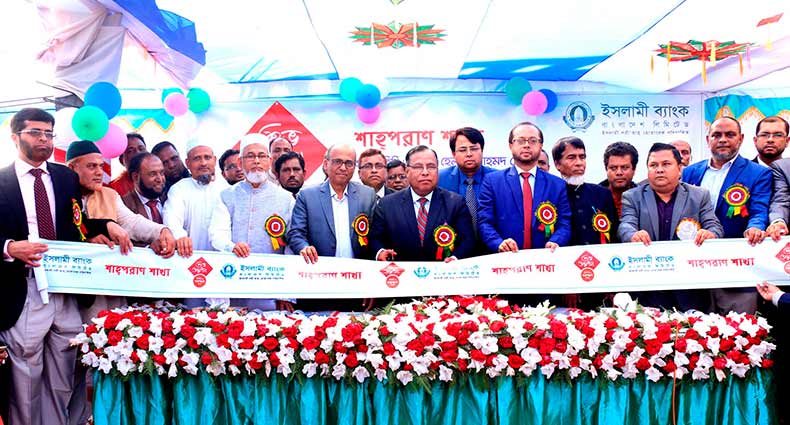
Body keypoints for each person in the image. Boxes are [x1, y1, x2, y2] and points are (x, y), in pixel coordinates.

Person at [0, 108, 111, 425]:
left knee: (65, 372)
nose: (44, 140)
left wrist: (107, 226)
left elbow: (78, 223)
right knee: (26, 374)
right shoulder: (1, 180)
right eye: (36, 132)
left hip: (65, 287)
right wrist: (9, 247)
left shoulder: (65, 178)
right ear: (15, 138)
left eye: (49, 134)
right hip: (23, 285)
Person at [65, 141, 175, 425]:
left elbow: (133, 222)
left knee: (102, 360)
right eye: (91, 166)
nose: (99, 172)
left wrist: (162, 231)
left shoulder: (109, 195)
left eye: (101, 166)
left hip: (106, 296)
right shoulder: (60, 194)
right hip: (67, 295)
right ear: (72, 168)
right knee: (71, 366)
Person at [619, 143, 723, 312]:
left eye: (666, 164)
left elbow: (714, 226)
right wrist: (633, 234)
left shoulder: (699, 195)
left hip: (689, 286)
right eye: (653, 165)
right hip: (648, 287)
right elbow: (626, 224)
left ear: (680, 168)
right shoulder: (632, 196)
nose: (659, 170)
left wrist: (710, 233)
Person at [683, 116, 771, 314]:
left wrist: (755, 227)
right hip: (694, 267)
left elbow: (759, 210)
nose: (723, 139)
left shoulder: (758, 173)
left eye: (730, 135)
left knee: (741, 329)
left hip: (737, 268)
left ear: (741, 139)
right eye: (717, 135)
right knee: (694, 330)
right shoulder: (690, 172)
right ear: (708, 139)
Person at [209, 137, 295, 312]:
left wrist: (286, 293)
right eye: (250, 156)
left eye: (261, 156)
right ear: (240, 162)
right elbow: (217, 233)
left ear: (269, 161)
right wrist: (231, 246)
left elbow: (291, 247)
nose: (256, 161)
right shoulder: (226, 196)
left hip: (271, 285)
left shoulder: (286, 199)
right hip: (233, 281)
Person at [287, 144, 376, 312]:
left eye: (349, 163)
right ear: (325, 164)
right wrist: (303, 247)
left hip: (357, 285)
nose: (343, 167)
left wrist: (372, 282)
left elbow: (374, 238)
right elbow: (295, 232)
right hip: (318, 283)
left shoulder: (367, 195)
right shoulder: (307, 195)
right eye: (337, 162)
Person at [478, 122, 572, 253]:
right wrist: (499, 243)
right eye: (520, 141)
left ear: (541, 145)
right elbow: (484, 222)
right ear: (511, 145)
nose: (526, 145)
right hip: (506, 259)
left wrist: (556, 241)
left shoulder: (557, 185)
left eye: (533, 141)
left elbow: (564, 223)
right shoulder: (492, 181)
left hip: (546, 259)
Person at [371, 145, 475, 262]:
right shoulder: (387, 204)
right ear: (407, 171)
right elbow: (375, 238)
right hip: (400, 271)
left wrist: (455, 258)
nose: (425, 172)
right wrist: (380, 251)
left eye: (431, 167)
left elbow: (467, 240)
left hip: (443, 271)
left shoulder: (455, 203)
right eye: (418, 167)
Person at [552, 136, 619, 308]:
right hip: (565, 288)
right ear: (557, 164)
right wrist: (567, 284)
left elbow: (613, 239)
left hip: (601, 283)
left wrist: (612, 284)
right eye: (571, 157)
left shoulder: (602, 194)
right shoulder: (551, 196)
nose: (579, 163)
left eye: (582, 157)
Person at [163, 140, 229, 305]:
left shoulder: (226, 190)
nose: (203, 163)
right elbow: (171, 218)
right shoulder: (179, 189)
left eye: (207, 157)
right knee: (191, 316)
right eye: (197, 158)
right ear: (187, 163)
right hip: (190, 266)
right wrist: (180, 236)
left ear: (214, 160)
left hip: (223, 269)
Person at [437, 127, 496, 234]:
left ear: (482, 150)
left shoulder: (497, 179)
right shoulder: (439, 179)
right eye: (462, 150)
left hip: (492, 241)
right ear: (453, 154)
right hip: (451, 242)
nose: (469, 154)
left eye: (474, 149)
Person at [122, 153, 167, 224]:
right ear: (135, 177)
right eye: (153, 174)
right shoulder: (124, 205)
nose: (160, 179)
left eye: (161, 173)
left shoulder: (170, 197)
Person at [599, 141, 638, 216]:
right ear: (606, 169)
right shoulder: (593, 198)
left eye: (624, 167)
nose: (619, 172)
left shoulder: (644, 200)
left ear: (634, 169)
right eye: (613, 168)